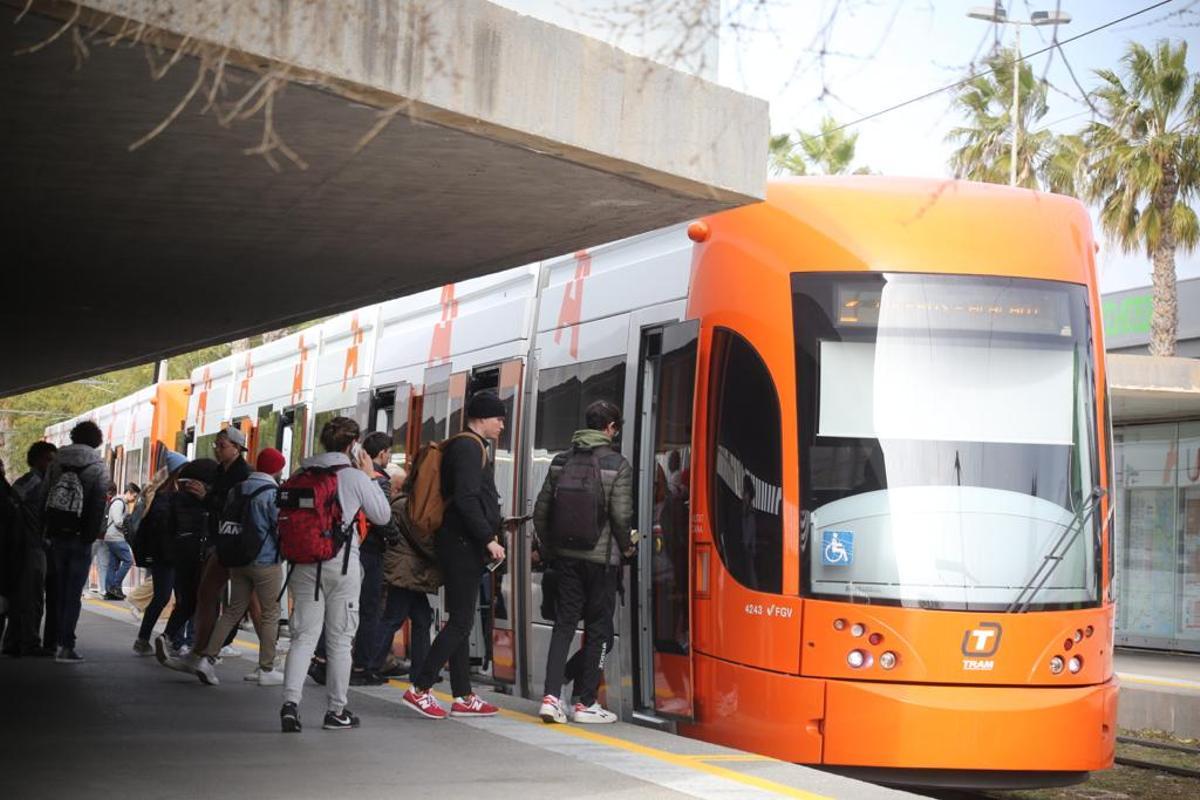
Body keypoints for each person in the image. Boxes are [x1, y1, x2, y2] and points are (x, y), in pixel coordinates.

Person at [280, 417, 390, 733]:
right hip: (342, 566)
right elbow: (382, 515)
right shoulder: (355, 477)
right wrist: (369, 475)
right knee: (340, 641)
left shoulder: (302, 474)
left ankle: (290, 705)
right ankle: (336, 711)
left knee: (303, 637)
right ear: (354, 444)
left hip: (303, 565)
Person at [402, 391, 506, 721]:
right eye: (498, 418)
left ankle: (463, 695)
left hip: (461, 543)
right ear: (481, 419)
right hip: (462, 544)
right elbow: (466, 498)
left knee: (461, 619)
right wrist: (488, 538)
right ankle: (420, 687)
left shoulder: (470, 447)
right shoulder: (467, 448)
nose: (502, 425)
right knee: (461, 620)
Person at [536, 400, 635, 724]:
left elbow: (541, 512)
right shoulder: (617, 464)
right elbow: (621, 517)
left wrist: (553, 551)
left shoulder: (560, 462)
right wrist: (628, 550)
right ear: (610, 428)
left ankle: (551, 698)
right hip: (602, 561)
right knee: (599, 630)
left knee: (564, 626)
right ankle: (585, 702)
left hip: (566, 560)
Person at [190, 448, 287, 687]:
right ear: (276, 469)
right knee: (270, 614)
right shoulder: (272, 493)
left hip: (237, 559)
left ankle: (207, 660)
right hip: (265, 562)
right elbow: (279, 527)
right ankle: (266, 668)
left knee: (233, 611)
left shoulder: (238, 489)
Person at [39, 421, 111, 663]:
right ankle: (66, 645)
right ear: (96, 439)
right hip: (81, 536)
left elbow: (45, 495)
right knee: (72, 592)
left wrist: (46, 529)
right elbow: (100, 502)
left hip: (57, 533)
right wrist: (90, 535)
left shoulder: (57, 461)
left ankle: (52, 640)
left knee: (56, 589)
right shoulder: (98, 465)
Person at [370, 468, 435, 681]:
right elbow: (420, 540)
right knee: (394, 618)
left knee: (421, 617)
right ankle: (372, 664)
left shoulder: (401, 505)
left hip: (408, 572)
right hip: (405, 572)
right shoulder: (404, 506)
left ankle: (421, 671)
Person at [155, 458, 219, 661]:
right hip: (201, 553)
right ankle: (202, 649)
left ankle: (168, 637)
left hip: (180, 554)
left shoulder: (175, 499)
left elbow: (170, 528)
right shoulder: (206, 501)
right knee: (206, 602)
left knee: (186, 601)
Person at [0, 442, 57, 657]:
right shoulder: (33, 481)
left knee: (25, 596)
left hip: (32, 546)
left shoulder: (41, 482)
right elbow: (13, 498)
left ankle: (15, 641)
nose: (52, 464)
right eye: (49, 459)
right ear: (38, 460)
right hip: (30, 546)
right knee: (31, 597)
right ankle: (28, 642)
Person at [132, 450, 187, 655]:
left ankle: (155, 639)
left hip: (166, 556)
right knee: (171, 598)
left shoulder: (163, 495)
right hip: (169, 556)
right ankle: (166, 640)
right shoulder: (167, 498)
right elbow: (165, 529)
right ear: (177, 472)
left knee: (171, 598)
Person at [102, 482, 139, 600]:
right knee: (128, 560)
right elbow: (118, 521)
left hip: (112, 537)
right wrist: (127, 525)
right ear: (129, 493)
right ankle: (114, 586)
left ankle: (110, 591)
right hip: (116, 537)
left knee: (113, 565)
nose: (134, 499)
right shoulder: (119, 503)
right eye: (134, 496)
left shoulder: (121, 503)